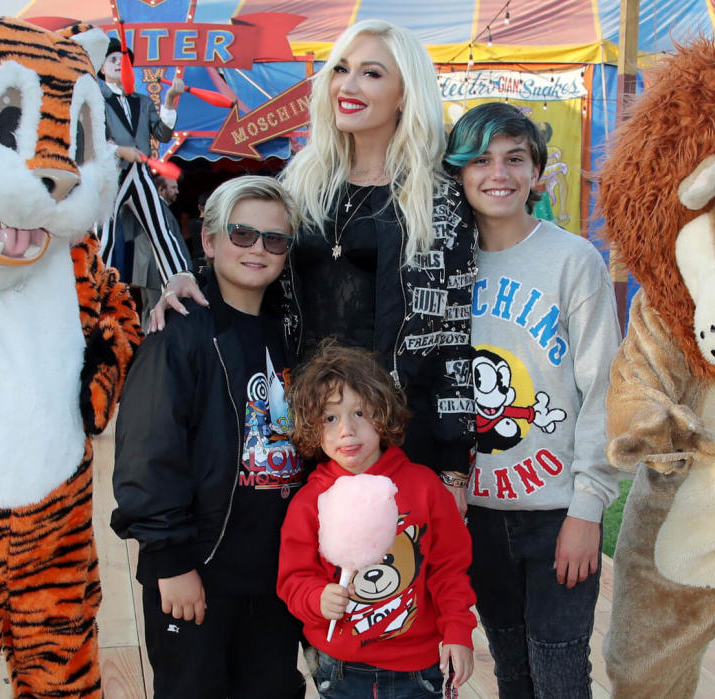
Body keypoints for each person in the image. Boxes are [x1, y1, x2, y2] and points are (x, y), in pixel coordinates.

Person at [152, 20, 477, 510]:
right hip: (301, 436)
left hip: (399, 440)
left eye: (371, 74)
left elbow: (454, 336)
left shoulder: (439, 200)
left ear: (406, 94)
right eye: (341, 69)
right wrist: (193, 276)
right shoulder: (300, 181)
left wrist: (454, 467)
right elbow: (251, 255)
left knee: (392, 582)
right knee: (304, 584)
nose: (348, 85)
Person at [443, 102, 621, 698]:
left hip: (556, 512)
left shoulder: (573, 261)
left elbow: (604, 389)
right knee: (512, 673)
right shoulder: (441, 266)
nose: (499, 173)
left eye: (515, 158)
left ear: (537, 171)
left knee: (561, 673)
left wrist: (588, 508)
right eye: (483, 160)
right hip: (476, 514)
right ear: (460, 172)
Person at [111, 176, 307, 699]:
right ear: (210, 240)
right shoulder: (179, 332)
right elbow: (148, 454)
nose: (258, 249)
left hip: (274, 576)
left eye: (274, 239)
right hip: (199, 569)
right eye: (242, 234)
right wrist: (170, 561)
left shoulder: (288, 330)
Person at [277, 342, 477, 698]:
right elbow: (293, 578)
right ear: (312, 426)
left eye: (360, 413)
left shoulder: (424, 487)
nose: (346, 431)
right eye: (330, 417)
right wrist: (317, 598)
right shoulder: (310, 502)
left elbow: (449, 569)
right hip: (340, 667)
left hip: (419, 667)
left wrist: (458, 632)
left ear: (382, 414)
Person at [98, 38, 191, 286]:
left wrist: (170, 100)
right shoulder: (96, 99)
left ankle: (178, 280)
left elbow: (162, 134)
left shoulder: (143, 101)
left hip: (139, 173)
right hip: (112, 173)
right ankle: (95, 289)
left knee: (161, 230)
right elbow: (92, 137)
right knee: (103, 235)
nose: (119, 64)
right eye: (113, 60)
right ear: (102, 68)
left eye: (123, 60)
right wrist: (118, 150)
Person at [130, 173, 181, 321]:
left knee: (149, 311)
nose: (177, 191)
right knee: (156, 312)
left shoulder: (155, 207)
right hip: (154, 270)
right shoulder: (157, 208)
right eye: (173, 187)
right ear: (160, 189)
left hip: (147, 269)